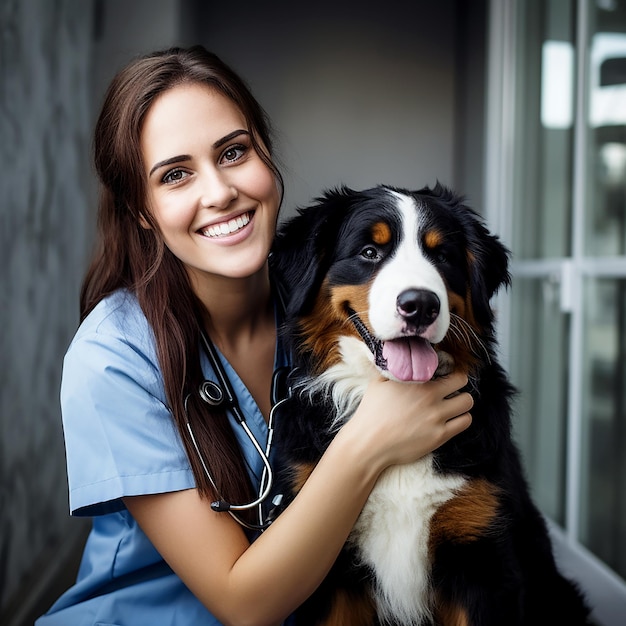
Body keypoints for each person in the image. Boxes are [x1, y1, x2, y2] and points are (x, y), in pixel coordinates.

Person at [36, 45, 473, 626]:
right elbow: (244, 604)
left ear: (265, 155)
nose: (219, 192)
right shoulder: (112, 358)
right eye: (175, 175)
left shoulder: (331, 312)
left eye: (233, 152)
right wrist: (368, 443)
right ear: (142, 210)